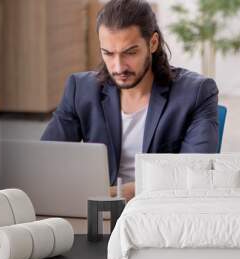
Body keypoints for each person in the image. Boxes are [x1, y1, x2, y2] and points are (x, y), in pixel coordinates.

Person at [41, 0, 219, 201]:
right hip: (97, 212)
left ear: (153, 43)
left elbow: (196, 172)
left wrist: (124, 192)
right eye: (108, 53)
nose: (118, 67)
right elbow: (47, 161)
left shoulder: (196, 92)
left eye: (130, 53)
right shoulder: (80, 89)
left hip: (161, 211)